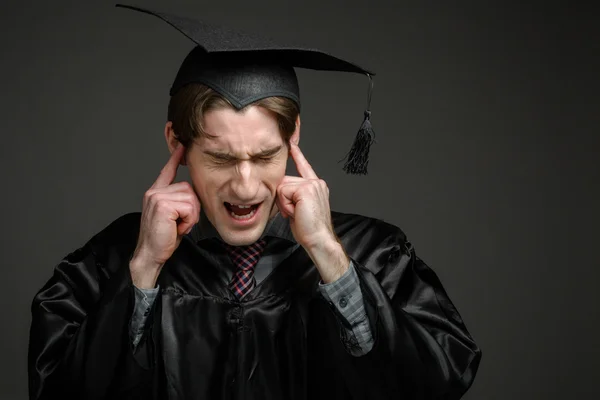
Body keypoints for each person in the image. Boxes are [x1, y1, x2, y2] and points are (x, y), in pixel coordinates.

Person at [28, 4, 482, 400]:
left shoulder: (373, 251)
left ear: (294, 137)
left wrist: (330, 256)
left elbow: (437, 384)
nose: (245, 186)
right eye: (221, 158)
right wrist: (143, 269)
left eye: (265, 156)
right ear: (177, 143)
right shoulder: (112, 259)